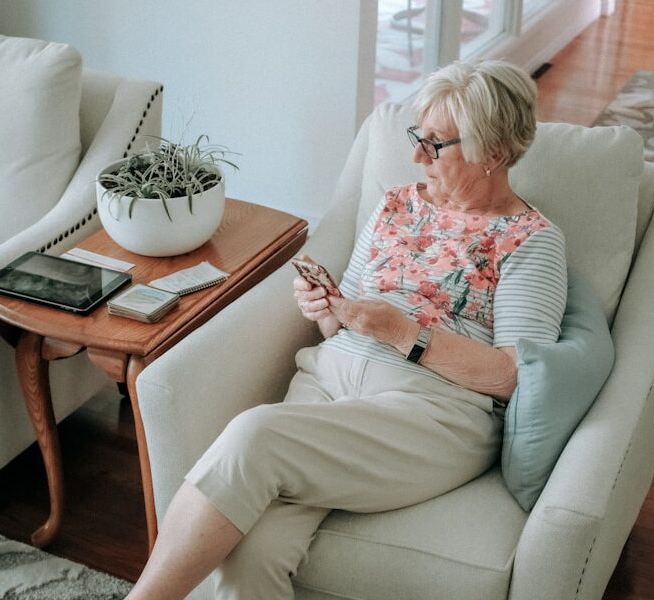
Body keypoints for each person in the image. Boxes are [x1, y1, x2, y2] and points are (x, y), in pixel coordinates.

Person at [126, 59, 567, 600]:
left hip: (431, 415)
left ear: (494, 153)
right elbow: (344, 320)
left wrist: (406, 334)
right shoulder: (397, 204)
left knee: (253, 434)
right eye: (416, 137)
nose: (415, 156)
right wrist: (327, 306)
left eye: (435, 144)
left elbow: (514, 378)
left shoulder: (532, 241)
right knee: (250, 556)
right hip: (327, 383)